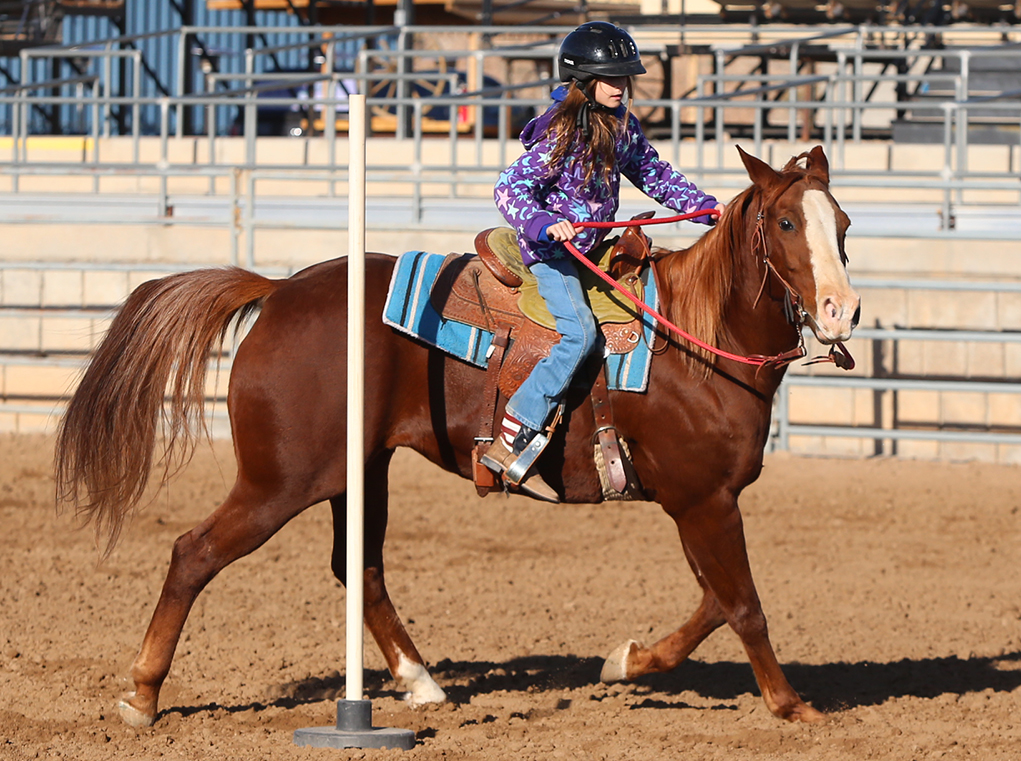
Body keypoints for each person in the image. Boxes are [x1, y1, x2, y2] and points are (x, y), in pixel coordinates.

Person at [483, 21, 724, 502]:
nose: (621, 87)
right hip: (554, 253)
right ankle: (511, 439)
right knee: (581, 334)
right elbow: (509, 188)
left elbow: (654, 174)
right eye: (611, 78)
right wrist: (543, 223)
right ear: (584, 81)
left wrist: (704, 209)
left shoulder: (622, 127)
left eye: (625, 78)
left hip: (596, 246)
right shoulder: (560, 131)